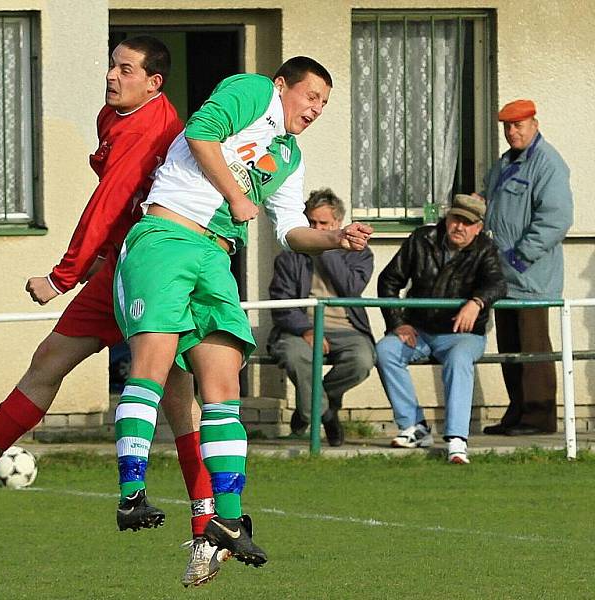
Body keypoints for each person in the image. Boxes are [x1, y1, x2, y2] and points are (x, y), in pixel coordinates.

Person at [0, 37, 227, 588]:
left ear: (155, 83)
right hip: (121, 267)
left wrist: (62, 275)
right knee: (50, 359)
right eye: (111, 65)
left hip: (157, 270)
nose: (111, 75)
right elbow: (110, 186)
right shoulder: (120, 112)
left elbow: (106, 204)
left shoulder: (148, 129)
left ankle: (206, 535)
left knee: (178, 403)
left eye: (125, 69)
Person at [112, 57, 373, 566]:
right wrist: (235, 195)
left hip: (215, 256)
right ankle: (131, 495)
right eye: (311, 95)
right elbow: (199, 133)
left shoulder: (289, 156)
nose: (316, 108)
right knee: (153, 364)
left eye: (325, 102)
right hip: (167, 236)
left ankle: (226, 520)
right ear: (282, 86)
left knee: (223, 384)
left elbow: (291, 231)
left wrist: (335, 238)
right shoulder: (252, 92)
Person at [376, 194, 506, 464]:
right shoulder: (421, 239)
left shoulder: (486, 248)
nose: (459, 227)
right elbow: (389, 279)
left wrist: (476, 302)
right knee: (385, 350)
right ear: (447, 218)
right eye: (455, 218)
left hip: (463, 335)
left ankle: (457, 440)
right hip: (419, 329)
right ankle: (414, 427)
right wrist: (398, 323)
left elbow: (497, 284)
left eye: (467, 222)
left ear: (478, 227)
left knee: (459, 359)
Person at [477, 99, 573, 436]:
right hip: (502, 275)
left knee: (533, 350)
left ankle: (539, 417)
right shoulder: (505, 163)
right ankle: (517, 412)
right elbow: (487, 201)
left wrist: (520, 257)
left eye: (518, 125)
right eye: (507, 126)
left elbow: (556, 219)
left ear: (534, 123)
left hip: (531, 277)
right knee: (510, 348)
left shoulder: (547, 164)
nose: (512, 131)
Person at [268, 188, 375, 446]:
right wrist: (306, 330)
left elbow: (351, 288)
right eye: (311, 223)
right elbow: (282, 303)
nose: (316, 228)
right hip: (300, 329)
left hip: (345, 328)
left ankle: (311, 404)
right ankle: (326, 414)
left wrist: (330, 245)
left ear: (338, 223)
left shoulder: (360, 253)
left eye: (323, 224)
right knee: (295, 357)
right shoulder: (289, 255)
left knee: (363, 360)